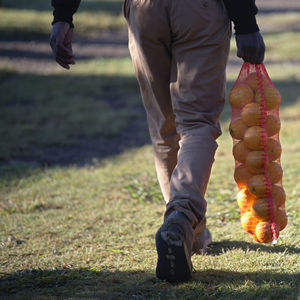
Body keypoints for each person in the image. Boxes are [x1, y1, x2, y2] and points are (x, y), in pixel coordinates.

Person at [50, 0, 265, 283]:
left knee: (164, 126)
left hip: (145, 10)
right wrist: (246, 22)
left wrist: (63, 15)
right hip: (198, 10)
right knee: (197, 123)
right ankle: (182, 217)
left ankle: (191, 234)